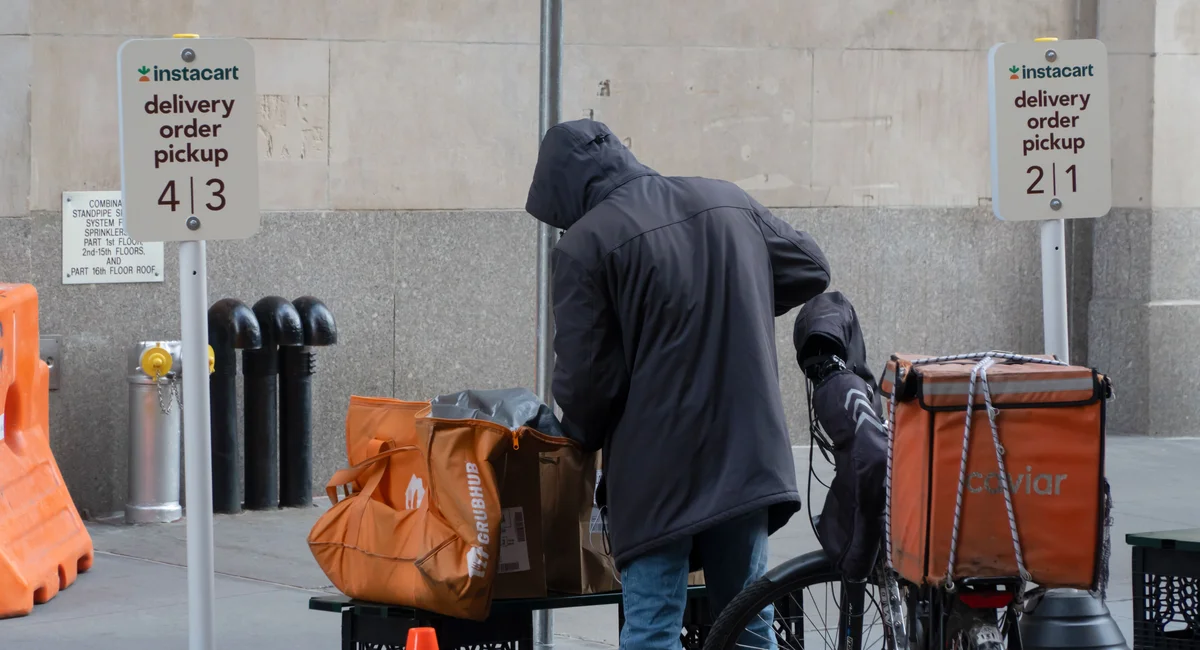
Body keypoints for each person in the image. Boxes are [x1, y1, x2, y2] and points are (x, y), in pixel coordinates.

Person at [525, 119, 831, 650]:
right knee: (748, 624)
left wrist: (576, 435)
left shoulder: (586, 244)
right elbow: (810, 267)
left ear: (562, 190)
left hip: (657, 474)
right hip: (745, 453)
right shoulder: (726, 199)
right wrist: (734, 306)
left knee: (653, 628)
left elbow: (586, 384)